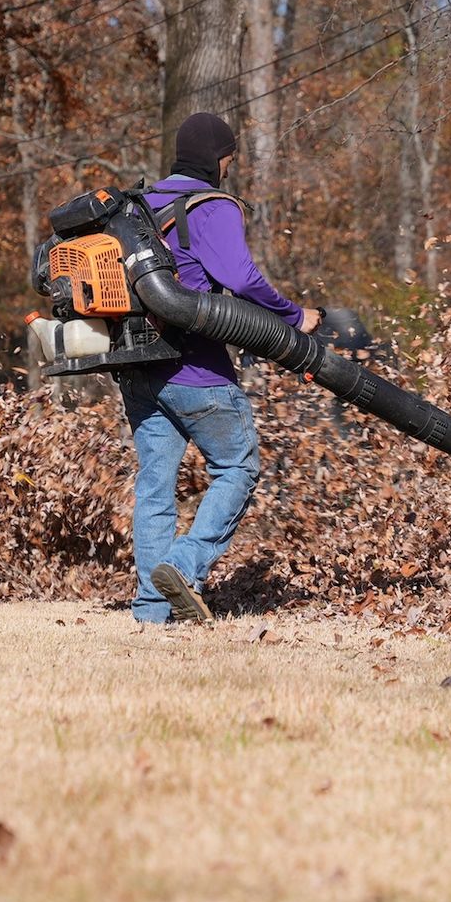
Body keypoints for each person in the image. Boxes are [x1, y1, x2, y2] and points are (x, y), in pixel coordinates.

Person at [123, 112, 320, 624]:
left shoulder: (139, 203)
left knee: (155, 485)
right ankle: (184, 566)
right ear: (218, 157)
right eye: (230, 156)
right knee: (237, 466)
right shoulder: (207, 205)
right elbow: (241, 277)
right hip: (197, 368)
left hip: (139, 368)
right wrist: (297, 317)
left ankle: (151, 609)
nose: (231, 165)